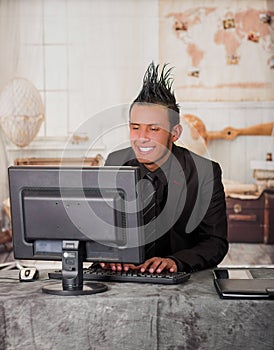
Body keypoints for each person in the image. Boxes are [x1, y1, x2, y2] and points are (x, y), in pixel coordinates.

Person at [102, 62, 228, 274]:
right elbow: (103, 229)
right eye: (135, 128)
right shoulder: (114, 162)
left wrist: (175, 262)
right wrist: (112, 257)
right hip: (123, 275)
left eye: (153, 129)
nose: (142, 138)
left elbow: (215, 242)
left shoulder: (205, 172)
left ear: (175, 133)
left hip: (180, 278)